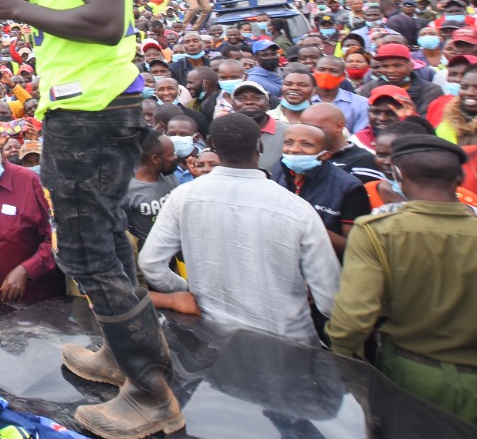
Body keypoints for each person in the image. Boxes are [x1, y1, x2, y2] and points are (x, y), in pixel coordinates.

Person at [0, 0, 179, 439]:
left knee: (86, 250)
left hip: (92, 109)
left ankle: (150, 395)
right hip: (83, 105)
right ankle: (124, 354)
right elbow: (66, 10)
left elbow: (106, 21)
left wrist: (15, 8)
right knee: (106, 236)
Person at [138, 114, 341, 346]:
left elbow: (151, 263)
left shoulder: (183, 197)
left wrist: (188, 291)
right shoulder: (297, 209)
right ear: (259, 145)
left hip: (213, 337)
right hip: (287, 342)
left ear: (211, 144)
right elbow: (329, 296)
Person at [326, 136, 477, 424]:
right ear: (459, 178)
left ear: (397, 174)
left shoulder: (378, 232)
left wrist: (345, 361)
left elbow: (353, 318)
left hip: (409, 375)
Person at [0, 135, 62, 303]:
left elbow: (56, 238)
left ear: (0, 151)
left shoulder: (29, 181)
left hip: (36, 296)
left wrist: (26, 270)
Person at [271, 124, 371, 257]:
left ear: (325, 155)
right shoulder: (279, 169)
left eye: (306, 144)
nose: (294, 149)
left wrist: (308, 226)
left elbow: (355, 247)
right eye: (288, 142)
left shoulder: (349, 188)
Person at [124, 130, 181, 247]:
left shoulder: (168, 175)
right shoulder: (128, 190)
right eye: (171, 154)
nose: (175, 157)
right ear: (155, 159)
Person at [302, 103, 384, 183]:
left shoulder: (364, 162)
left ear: (339, 126)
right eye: (304, 128)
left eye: (315, 129)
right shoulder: (301, 156)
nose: (308, 134)